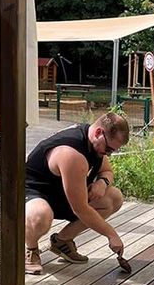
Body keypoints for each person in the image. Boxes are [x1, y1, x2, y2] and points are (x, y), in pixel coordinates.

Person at [24, 113, 128, 275]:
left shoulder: (94, 142)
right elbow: (80, 209)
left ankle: (62, 242)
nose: (108, 154)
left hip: (63, 193)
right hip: (33, 193)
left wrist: (102, 182)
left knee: (113, 198)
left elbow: (107, 171)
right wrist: (111, 235)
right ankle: (31, 249)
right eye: (108, 149)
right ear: (99, 133)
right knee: (40, 215)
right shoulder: (72, 153)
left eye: (112, 151)